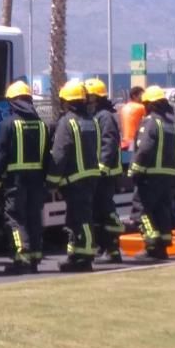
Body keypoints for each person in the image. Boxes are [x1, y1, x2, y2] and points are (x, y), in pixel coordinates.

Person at [0, 80, 49, 274]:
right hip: (37, 182)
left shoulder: (8, 124)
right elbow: (47, 155)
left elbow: (1, 155)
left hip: (16, 182)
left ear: (12, 102)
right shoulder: (42, 125)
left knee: (15, 219)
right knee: (34, 218)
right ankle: (34, 257)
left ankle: (21, 257)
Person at [47, 79, 100, 272]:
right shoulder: (90, 121)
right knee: (81, 216)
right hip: (91, 176)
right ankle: (77, 255)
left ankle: (83, 258)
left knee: (79, 218)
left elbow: (60, 154)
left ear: (67, 102)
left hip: (75, 179)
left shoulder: (67, 122)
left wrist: (52, 181)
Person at [130, 85, 175, 262]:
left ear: (150, 105)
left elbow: (144, 149)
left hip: (150, 176)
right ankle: (162, 247)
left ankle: (151, 245)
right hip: (168, 175)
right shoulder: (171, 124)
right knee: (162, 210)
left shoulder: (150, 122)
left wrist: (134, 170)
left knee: (141, 211)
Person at [85, 78, 125, 264]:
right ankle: (105, 248)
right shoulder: (97, 115)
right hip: (99, 173)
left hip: (105, 174)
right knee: (98, 213)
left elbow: (108, 143)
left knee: (105, 211)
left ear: (96, 97)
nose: (86, 100)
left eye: (89, 96)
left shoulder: (105, 116)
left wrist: (101, 167)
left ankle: (112, 249)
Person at [119, 86, 146, 151]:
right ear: (134, 96)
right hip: (134, 142)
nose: (143, 98)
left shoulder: (123, 108)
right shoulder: (141, 107)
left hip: (124, 142)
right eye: (141, 95)